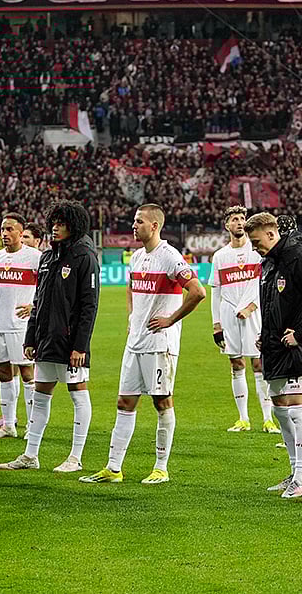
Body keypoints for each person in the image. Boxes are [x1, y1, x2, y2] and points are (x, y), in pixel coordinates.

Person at [80, 204, 205, 485]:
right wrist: (131, 316)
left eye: (139, 221)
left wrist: (171, 319)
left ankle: (161, 467)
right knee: (124, 402)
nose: (133, 226)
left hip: (159, 345)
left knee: (162, 402)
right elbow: (130, 286)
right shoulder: (136, 257)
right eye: (134, 221)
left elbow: (198, 292)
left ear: (155, 226)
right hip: (135, 342)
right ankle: (113, 468)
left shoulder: (170, 257)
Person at [0, 200, 100, 474]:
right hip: (46, 340)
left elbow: (89, 305)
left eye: (61, 223)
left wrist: (80, 346)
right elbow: (39, 300)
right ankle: (30, 455)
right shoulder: (47, 257)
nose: (55, 228)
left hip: (70, 344)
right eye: (53, 222)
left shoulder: (85, 257)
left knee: (78, 394)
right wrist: (31, 337)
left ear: (74, 226)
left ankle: (75, 458)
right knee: (41, 396)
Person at [245, 212, 302, 499]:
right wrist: (266, 333)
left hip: (294, 347)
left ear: (271, 233)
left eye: (257, 242)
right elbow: (271, 302)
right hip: (273, 345)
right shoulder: (268, 262)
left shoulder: (296, 256)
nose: (255, 247)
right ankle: (294, 472)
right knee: (279, 408)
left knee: (296, 408)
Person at [209, 205, 277, 434]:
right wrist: (216, 323)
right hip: (229, 316)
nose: (239, 222)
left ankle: (268, 419)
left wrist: (250, 307)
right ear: (227, 225)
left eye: (242, 218)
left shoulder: (256, 251)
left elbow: (264, 284)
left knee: (259, 363)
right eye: (234, 219)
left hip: (254, 314)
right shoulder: (220, 256)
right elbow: (216, 291)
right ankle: (243, 418)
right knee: (236, 364)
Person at [0, 213, 41, 439]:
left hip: (23, 326)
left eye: (10, 229)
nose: (5, 234)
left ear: (20, 232)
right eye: (2, 229)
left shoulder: (35, 258)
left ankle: (33, 426)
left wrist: (34, 307)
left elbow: (47, 290)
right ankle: (8, 425)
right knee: (4, 372)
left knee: (27, 372)